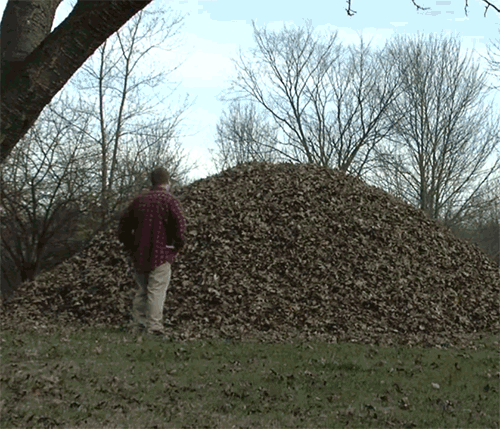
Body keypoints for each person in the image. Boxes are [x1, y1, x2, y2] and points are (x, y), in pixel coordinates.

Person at [118, 167, 186, 336]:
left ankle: (138, 325)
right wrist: (176, 245)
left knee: (142, 290)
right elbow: (180, 226)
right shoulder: (170, 200)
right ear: (167, 182)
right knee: (156, 290)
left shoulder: (139, 200)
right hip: (161, 254)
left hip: (139, 254)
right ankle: (154, 327)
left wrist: (130, 245)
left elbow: (123, 227)